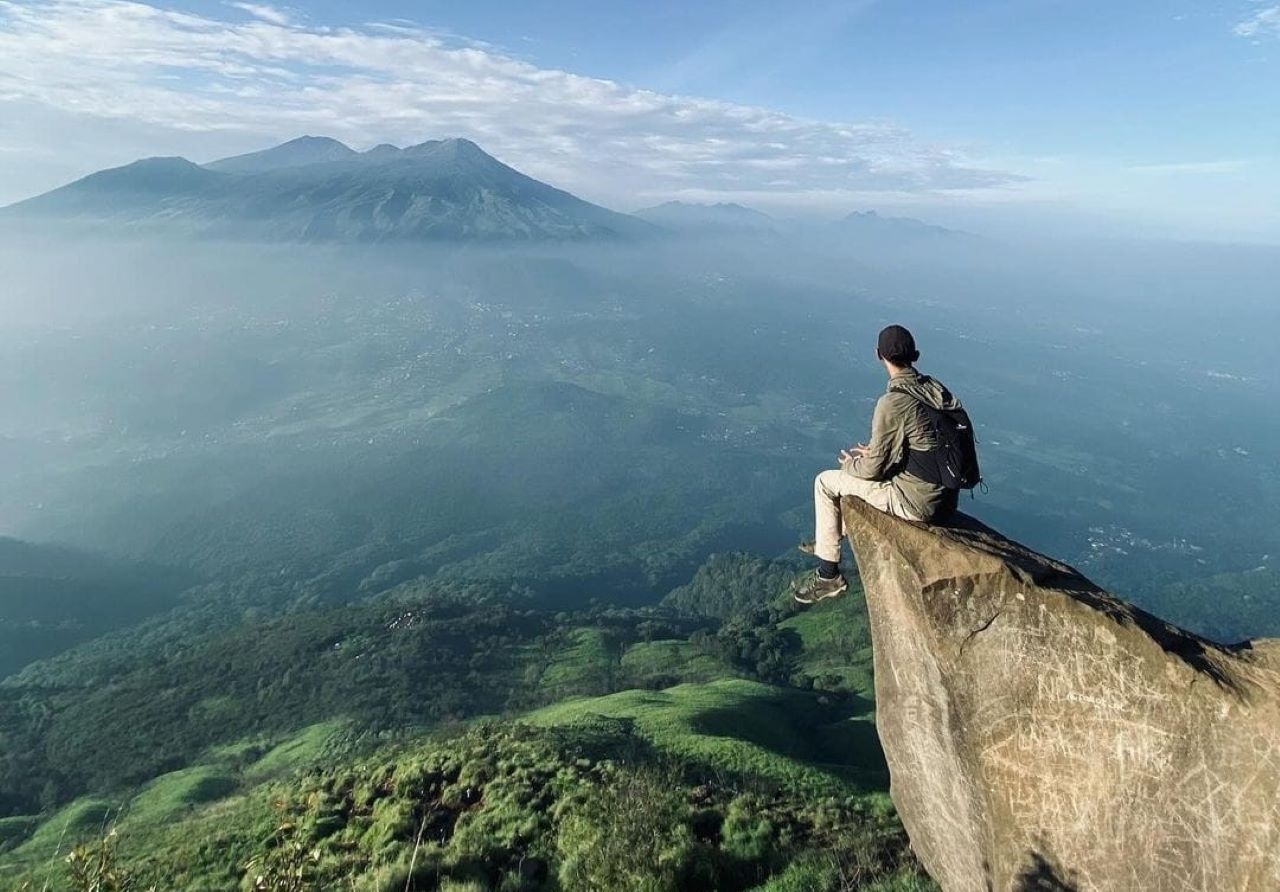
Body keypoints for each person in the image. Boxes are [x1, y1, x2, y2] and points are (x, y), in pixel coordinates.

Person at [793, 324, 969, 604]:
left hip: (915, 504)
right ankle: (831, 537)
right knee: (860, 470)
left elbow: (873, 469)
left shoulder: (893, 402)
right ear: (916, 355)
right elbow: (925, 443)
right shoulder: (934, 390)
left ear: (878, 355)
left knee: (826, 482)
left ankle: (829, 575)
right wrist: (877, 451)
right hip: (946, 500)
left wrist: (853, 465)